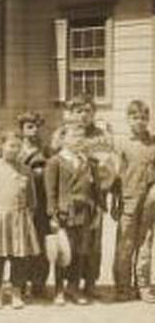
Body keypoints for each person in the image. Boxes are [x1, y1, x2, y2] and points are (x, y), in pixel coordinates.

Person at [45, 122, 103, 305]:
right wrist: (53, 216)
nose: (78, 140)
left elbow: (95, 190)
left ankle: (74, 287)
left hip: (84, 214)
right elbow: (51, 192)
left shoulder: (88, 162)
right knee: (64, 253)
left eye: (81, 136)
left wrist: (96, 212)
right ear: (63, 139)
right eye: (74, 136)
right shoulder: (56, 161)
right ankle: (59, 289)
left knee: (80, 253)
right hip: (65, 214)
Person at [0, 132, 41, 310]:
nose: (14, 150)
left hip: (19, 217)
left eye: (17, 146)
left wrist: (27, 215)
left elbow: (32, 199)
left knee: (19, 257)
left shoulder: (25, 170)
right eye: (10, 145)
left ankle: (16, 291)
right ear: (2, 146)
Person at [111, 100, 155, 301]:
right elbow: (115, 176)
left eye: (144, 118)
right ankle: (122, 286)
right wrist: (114, 202)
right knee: (125, 243)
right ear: (128, 119)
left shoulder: (153, 143)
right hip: (128, 199)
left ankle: (143, 285)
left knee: (145, 242)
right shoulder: (122, 144)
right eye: (135, 117)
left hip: (149, 200)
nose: (140, 122)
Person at [17, 111, 50, 299]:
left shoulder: (45, 151)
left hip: (41, 204)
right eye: (29, 126)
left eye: (36, 126)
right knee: (22, 244)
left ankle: (39, 283)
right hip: (21, 203)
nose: (34, 130)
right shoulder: (16, 149)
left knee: (40, 244)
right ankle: (20, 283)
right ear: (22, 130)